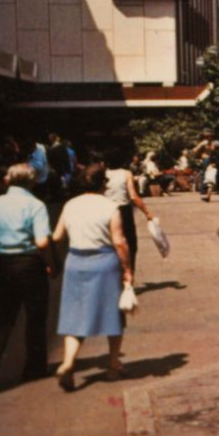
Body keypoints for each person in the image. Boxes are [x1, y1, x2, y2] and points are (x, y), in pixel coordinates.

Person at [0, 163, 52, 391]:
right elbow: (42, 242)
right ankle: (34, 369)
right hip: (29, 265)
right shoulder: (36, 205)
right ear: (32, 182)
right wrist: (51, 263)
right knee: (35, 317)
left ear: (8, 180)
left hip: (1, 265)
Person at [52, 163, 133, 391]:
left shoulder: (70, 205)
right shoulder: (110, 206)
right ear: (103, 184)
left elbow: (57, 236)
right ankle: (112, 365)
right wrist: (127, 270)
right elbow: (119, 241)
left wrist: (51, 262)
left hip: (75, 262)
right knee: (113, 315)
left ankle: (68, 363)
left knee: (74, 316)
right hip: (104, 263)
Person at [104, 149, 154, 271]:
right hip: (123, 211)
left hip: (106, 211)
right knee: (130, 244)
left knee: (110, 244)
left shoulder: (104, 174)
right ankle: (128, 277)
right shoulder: (126, 174)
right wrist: (147, 212)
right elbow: (133, 196)